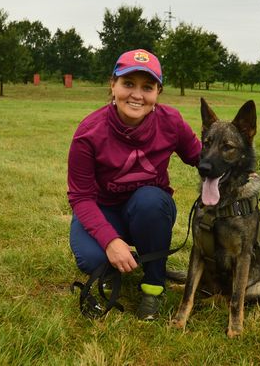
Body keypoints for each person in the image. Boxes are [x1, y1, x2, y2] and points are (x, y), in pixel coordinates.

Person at [67, 49, 201, 320]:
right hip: (104, 210)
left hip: (149, 210)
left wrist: (237, 169)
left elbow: (201, 158)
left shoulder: (171, 122)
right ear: (113, 85)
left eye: (147, 87)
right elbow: (80, 197)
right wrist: (109, 241)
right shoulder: (88, 132)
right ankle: (114, 265)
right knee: (92, 260)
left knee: (150, 200)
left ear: (157, 92)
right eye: (128, 84)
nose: (137, 95)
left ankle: (153, 287)